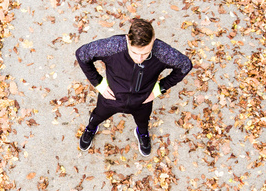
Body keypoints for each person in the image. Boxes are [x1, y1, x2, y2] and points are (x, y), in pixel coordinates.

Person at [75, 18, 193, 156]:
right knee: (98, 116)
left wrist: (159, 89)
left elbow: (185, 65)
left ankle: (142, 134)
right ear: (127, 39)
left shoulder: (162, 53)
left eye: (145, 53)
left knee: (143, 122)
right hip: (111, 97)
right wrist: (99, 84)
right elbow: (82, 54)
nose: (139, 59)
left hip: (143, 101)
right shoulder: (113, 46)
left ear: (153, 40)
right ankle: (91, 128)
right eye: (134, 52)